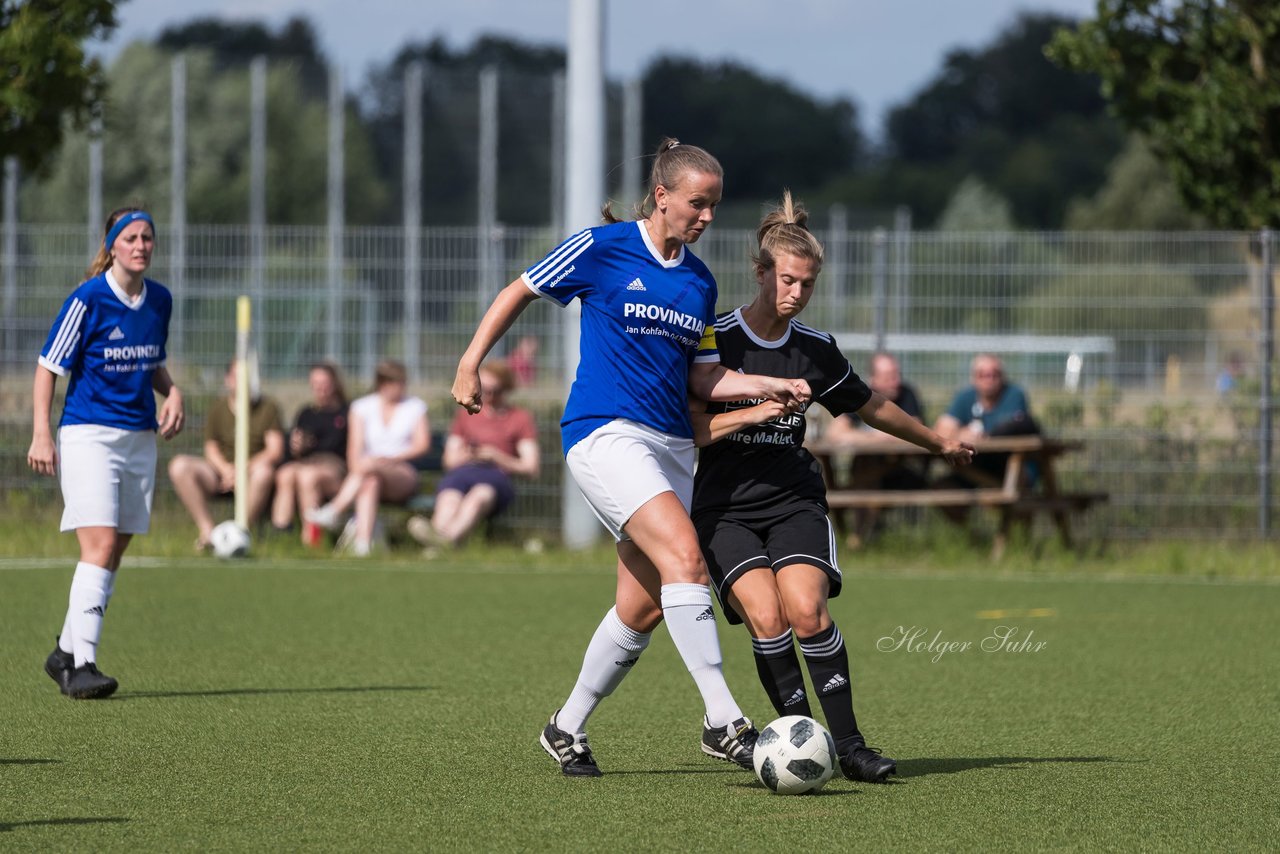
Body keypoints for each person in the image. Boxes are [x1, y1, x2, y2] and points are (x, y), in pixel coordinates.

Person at [451, 138, 810, 778]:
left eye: (714, 207)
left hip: (672, 448)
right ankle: (725, 719)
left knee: (642, 606)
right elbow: (520, 289)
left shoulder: (699, 280)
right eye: (697, 204)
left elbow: (704, 380)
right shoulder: (601, 247)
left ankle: (565, 727)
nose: (705, 217)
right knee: (686, 559)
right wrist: (469, 362)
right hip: (605, 435)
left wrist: (766, 385)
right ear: (662, 195)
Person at [688, 191, 974, 783]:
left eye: (808, 284)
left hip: (794, 501)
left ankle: (849, 745)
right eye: (787, 279)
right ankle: (803, 743)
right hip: (724, 510)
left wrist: (936, 442)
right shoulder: (714, 339)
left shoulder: (815, 350)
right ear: (761, 272)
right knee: (768, 619)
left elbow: (871, 406)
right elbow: (692, 429)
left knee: (808, 611)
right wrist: (756, 409)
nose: (796, 293)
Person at [29, 206, 185, 700]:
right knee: (96, 547)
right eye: (131, 237)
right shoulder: (88, 299)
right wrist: (40, 433)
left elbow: (152, 363)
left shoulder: (159, 300)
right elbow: (48, 367)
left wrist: (174, 391)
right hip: (88, 435)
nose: (141, 245)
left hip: (139, 438)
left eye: (148, 238)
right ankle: (83, 666)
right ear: (112, 245)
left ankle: (63, 654)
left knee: (114, 551)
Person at [407, 360, 538, 549]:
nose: (488, 395)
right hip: (463, 472)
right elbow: (449, 461)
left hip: (495, 478)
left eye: (494, 390)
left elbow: (530, 467)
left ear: (505, 389)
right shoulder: (466, 414)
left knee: (478, 497)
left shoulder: (519, 418)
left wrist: (495, 456)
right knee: (449, 499)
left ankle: (443, 543)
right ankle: (440, 544)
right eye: (484, 389)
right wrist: (469, 454)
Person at [307, 359, 431, 556]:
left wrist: (390, 459)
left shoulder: (415, 407)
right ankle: (363, 545)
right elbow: (354, 449)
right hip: (366, 473)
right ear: (382, 384)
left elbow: (422, 445)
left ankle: (335, 510)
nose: (400, 388)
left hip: (402, 473)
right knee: (370, 481)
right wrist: (363, 467)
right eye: (395, 383)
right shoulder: (361, 407)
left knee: (370, 466)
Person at [168, 361, 285, 550]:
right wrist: (226, 470)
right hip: (220, 474)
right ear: (228, 379)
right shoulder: (218, 408)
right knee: (179, 466)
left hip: (252, 474)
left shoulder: (268, 408)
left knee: (264, 472)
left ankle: (239, 533)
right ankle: (208, 532)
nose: (241, 382)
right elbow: (211, 448)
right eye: (236, 377)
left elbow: (274, 450)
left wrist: (242, 470)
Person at [824, 352, 929, 545]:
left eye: (896, 374)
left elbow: (915, 429)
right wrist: (876, 436)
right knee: (864, 465)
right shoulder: (863, 396)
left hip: (903, 471)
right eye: (888, 376)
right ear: (874, 379)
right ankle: (858, 536)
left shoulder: (907, 394)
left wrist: (868, 437)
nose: (895, 381)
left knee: (864, 472)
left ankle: (857, 537)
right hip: (867, 471)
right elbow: (836, 433)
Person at [270, 361, 350, 544]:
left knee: (308, 476)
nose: (320, 389)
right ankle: (281, 532)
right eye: (316, 384)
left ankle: (312, 538)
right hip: (308, 464)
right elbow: (295, 453)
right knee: (285, 474)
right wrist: (297, 448)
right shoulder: (306, 413)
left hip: (336, 470)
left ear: (335, 384)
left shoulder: (347, 412)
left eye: (325, 384)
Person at [934, 353, 1038, 491]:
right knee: (942, 489)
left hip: (1007, 465)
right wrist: (960, 434)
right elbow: (940, 429)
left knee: (1016, 488)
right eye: (982, 375)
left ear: (1003, 376)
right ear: (973, 378)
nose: (989, 379)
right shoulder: (965, 397)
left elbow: (1016, 427)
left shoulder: (1014, 395)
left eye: (995, 374)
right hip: (975, 464)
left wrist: (984, 437)